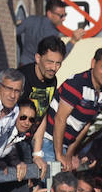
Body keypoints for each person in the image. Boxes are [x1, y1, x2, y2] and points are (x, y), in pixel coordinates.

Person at [50, 46, 102, 169]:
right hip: (49, 140)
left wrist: (69, 155)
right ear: (93, 63)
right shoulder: (78, 84)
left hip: (64, 146)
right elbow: (60, 118)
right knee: (52, 184)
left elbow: (86, 125)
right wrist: (59, 154)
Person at [18, 35, 68, 175]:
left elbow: (42, 113)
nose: (54, 68)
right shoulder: (22, 77)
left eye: (58, 63)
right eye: (50, 62)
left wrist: (37, 154)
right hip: (12, 144)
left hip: (29, 142)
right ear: (38, 58)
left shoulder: (52, 80)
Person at [16, 0, 83, 67]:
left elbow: (14, 33)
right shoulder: (53, 34)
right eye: (61, 16)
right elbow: (58, 57)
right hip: (36, 71)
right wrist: (73, 41)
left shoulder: (30, 19)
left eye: (65, 15)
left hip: (23, 65)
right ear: (49, 14)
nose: (64, 19)